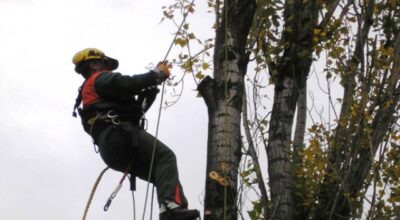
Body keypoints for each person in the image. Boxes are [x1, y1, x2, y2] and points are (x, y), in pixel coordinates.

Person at [71, 48, 200, 220]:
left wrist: (151, 88)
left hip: (112, 150)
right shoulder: (99, 79)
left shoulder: (94, 96)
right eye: (104, 65)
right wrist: (156, 74)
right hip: (118, 136)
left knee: (161, 174)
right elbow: (128, 83)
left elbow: (135, 111)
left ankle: (172, 210)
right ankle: (171, 209)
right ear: (94, 64)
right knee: (165, 158)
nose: (108, 70)